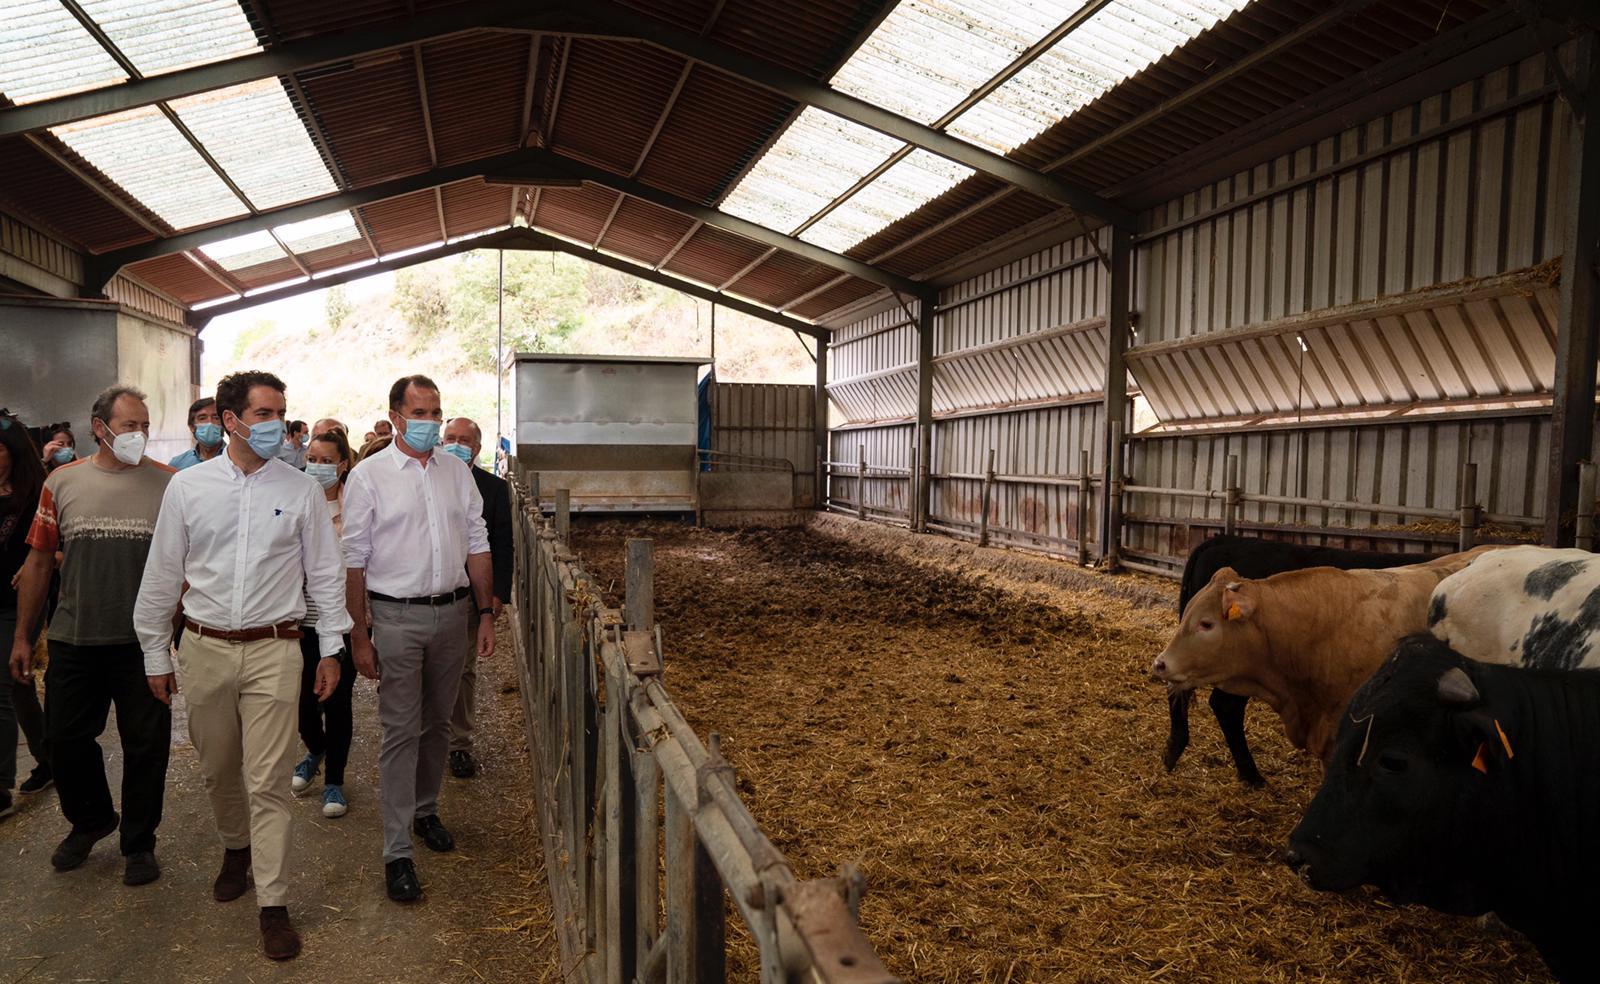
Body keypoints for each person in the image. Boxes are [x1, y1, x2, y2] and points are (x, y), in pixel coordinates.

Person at [133, 371, 351, 962]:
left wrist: (331, 648)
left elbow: (325, 573)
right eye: (264, 414)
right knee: (218, 768)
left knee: (268, 781)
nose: (277, 423)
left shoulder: (300, 490)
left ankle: (273, 903)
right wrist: (155, 652)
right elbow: (162, 574)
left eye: (280, 412)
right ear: (230, 421)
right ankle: (236, 847)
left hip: (275, 649)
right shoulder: (188, 488)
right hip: (203, 646)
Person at [9, 386, 173, 887]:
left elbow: (186, 565)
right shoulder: (62, 482)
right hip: (74, 638)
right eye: (129, 425)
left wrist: (175, 630)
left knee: (146, 747)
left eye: (144, 425)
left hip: (141, 645)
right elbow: (39, 562)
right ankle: (92, 819)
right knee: (63, 740)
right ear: (100, 428)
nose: (140, 434)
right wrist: (23, 637)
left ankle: (139, 843)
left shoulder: (170, 484)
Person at [343, 375, 494, 903]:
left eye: (436, 412)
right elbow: (354, 559)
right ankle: (397, 850)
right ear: (396, 416)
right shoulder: (369, 476)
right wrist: (359, 634)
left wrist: (486, 612)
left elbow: (477, 542)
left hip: (452, 613)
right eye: (420, 413)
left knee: (437, 723)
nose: (430, 422)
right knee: (400, 730)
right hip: (396, 615)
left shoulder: (457, 472)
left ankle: (426, 810)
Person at [290, 429, 358, 819]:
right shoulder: (294, 500)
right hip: (297, 621)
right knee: (300, 703)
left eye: (326, 461)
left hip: (340, 621)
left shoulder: (356, 509)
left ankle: (334, 780)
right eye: (312, 459)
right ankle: (315, 749)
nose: (317, 467)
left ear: (342, 464)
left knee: (337, 702)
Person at [440, 417, 511, 780]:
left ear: (477, 448)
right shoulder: (429, 480)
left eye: (464, 440)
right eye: (450, 437)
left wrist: (497, 594)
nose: (456, 444)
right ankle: (426, 735)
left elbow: (502, 543)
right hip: (428, 591)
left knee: (463, 669)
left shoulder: (494, 488)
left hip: (470, 594)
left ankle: (458, 743)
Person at [0, 411, 51, 817]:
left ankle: (0, 785)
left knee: (4, 685)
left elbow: (59, 546)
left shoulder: (38, 491)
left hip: (19, 603)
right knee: (18, 688)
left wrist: (33, 565)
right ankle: (49, 758)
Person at [169, 397, 226, 470]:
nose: (210, 422)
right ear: (192, 427)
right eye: (202, 418)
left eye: (216, 418)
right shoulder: (178, 464)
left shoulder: (235, 459)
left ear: (224, 424)